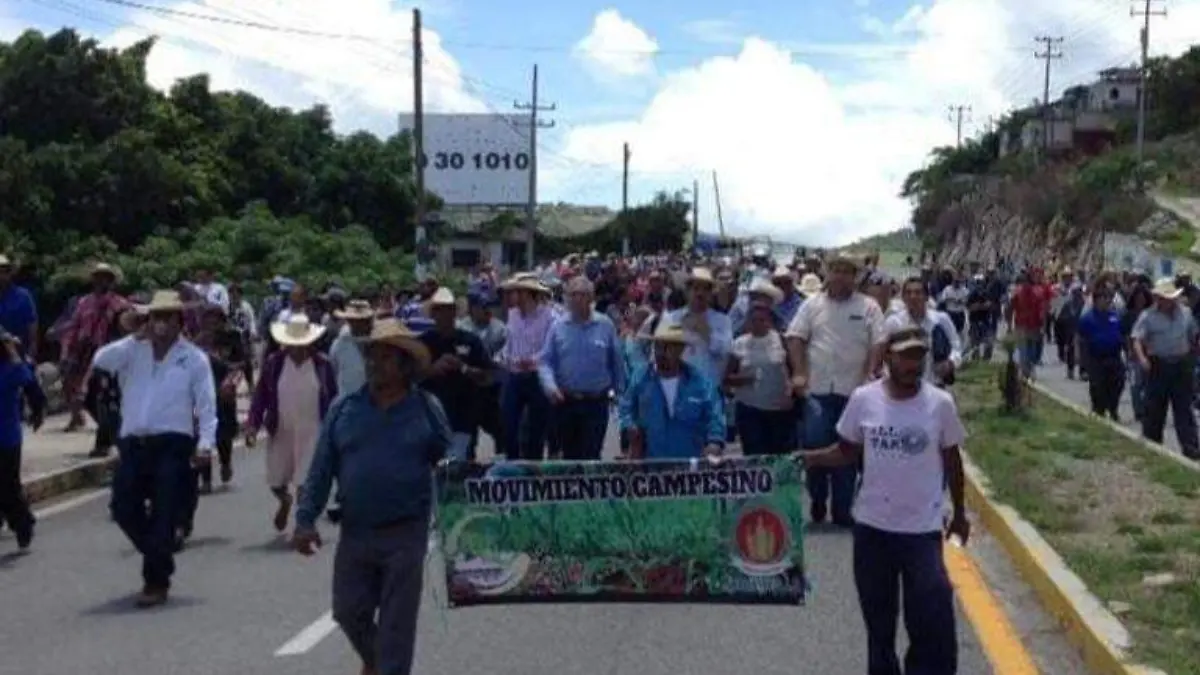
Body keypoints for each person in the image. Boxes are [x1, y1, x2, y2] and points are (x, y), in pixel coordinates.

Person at [801, 326, 968, 675]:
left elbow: (952, 459)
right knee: (879, 626)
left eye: (918, 356)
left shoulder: (940, 404)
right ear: (888, 357)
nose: (913, 364)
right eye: (905, 356)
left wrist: (961, 514)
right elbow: (847, 451)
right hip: (873, 530)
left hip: (921, 532)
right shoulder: (864, 399)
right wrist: (808, 458)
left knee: (931, 612)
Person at [293, 318, 450, 675]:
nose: (374, 364)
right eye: (371, 356)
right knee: (348, 611)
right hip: (356, 530)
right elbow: (321, 469)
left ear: (405, 365)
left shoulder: (426, 408)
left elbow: (450, 466)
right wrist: (305, 520)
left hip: (406, 533)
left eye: (384, 357)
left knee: (396, 627)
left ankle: (388, 666)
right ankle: (378, 662)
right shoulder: (344, 409)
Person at [91, 290, 217, 608]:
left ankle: (155, 580)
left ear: (179, 321)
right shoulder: (133, 352)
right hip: (134, 443)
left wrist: (205, 444)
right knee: (123, 508)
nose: (161, 324)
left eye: (168, 317)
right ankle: (160, 553)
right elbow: (100, 361)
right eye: (156, 316)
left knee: (163, 512)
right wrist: (134, 334)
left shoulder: (193, 359)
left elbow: (206, 405)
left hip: (173, 445)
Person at [247, 314, 338, 532]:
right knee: (276, 480)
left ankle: (303, 522)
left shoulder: (322, 365)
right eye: (292, 344)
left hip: (313, 429)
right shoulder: (274, 364)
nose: (296, 349)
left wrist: (335, 428)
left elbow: (334, 398)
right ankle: (284, 501)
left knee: (306, 480)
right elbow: (260, 397)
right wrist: (253, 424)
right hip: (282, 429)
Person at [538, 276, 625, 461]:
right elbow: (545, 361)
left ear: (591, 298)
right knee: (569, 458)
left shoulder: (605, 325)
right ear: (567, 298)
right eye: (572, 295)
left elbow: (616, 362)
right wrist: (550, 387)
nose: (577, 299)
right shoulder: (558, 326)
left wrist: (620, 396)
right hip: (566, 402)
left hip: (596, 403)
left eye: (582, 295)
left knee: (592, 457)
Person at [619, 321, 724, 459]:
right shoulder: (641, 378)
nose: (661, 352)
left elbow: (714, 415)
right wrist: (629, 427)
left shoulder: (700, 383)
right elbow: (626, 408)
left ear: (680, 349)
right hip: (650, 463)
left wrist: (714, 442)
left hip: (689, 464)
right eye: (658, 346)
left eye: (668, 347)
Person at [419, 288, 492, 461]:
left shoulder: (470, 340)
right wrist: (432, 369)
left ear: (454, 312)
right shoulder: (423, 343)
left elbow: (488, 377)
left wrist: (463, 368)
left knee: (461, 469)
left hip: (463, 418)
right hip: (430, 420)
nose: (443, 314)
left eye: (448, 309)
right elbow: (410, 378)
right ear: (432, 313)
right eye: (438, 309)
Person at [1130, 279, 1200, 459]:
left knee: (1184, 408)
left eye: (1170, 297)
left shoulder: (1185, 314)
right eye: (1163, 297)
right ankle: (1152, 444)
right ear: (1157, 298)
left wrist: (1193, 356)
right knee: (1155, 408)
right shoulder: (1148, 316)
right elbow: (1137, 339)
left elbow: (1194, 335)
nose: (1167, 301)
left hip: (1181, 365)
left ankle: (1190, 446)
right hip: (1159, 365)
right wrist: (1143, 359)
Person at [725, 301, 793, 456]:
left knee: (779, 455)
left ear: (769, 321)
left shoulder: (781, 340)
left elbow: (792, 371)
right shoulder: (739, 344)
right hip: (750, 410)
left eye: (761, 320)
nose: (757, 324)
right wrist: (744, 379)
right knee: (755, 454)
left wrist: (790, 392)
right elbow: (727, 378)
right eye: (753, 320)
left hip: (778, 411)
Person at [0, 329, 40, 551]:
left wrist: (12, 351)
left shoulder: (11, 369)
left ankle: (23, 523)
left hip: (7, 438)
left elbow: (26, 378)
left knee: (8, 487)